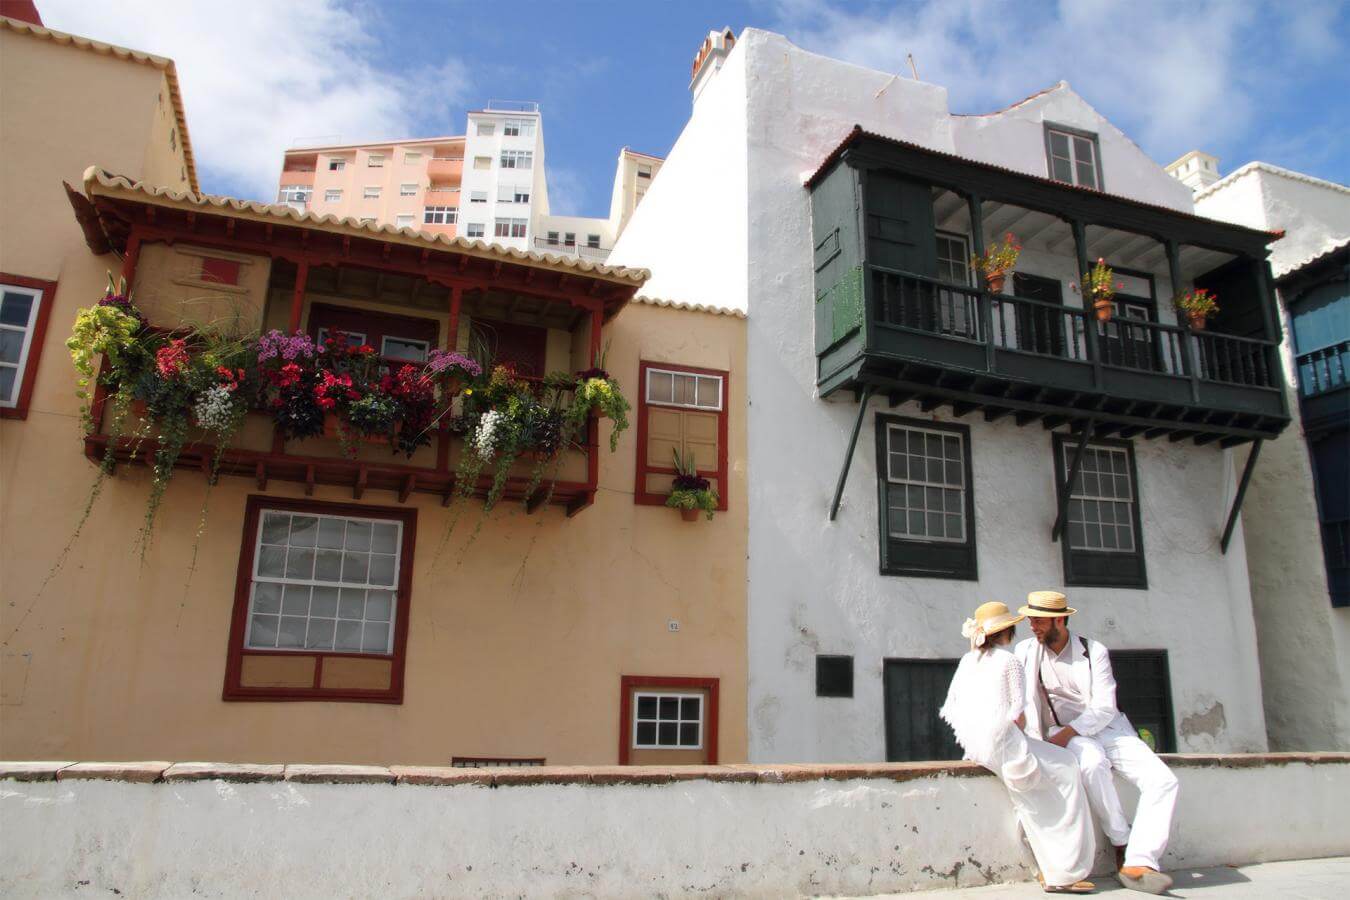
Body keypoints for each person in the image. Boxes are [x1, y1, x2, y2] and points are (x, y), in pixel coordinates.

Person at [1015, 591, 1179, 896]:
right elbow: (1021, 701)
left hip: (1109, 729)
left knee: (1164, 780)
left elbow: (1104, 705)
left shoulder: (1094, 650)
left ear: (1060, 620)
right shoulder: (1025, 651)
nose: (1032, 625)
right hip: (1063, 734)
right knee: (1092, 765)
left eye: (1038, 619)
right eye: (1030, 619)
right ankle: (1122, 842)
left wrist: (1070, 732)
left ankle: (1140, 861)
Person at [940, 601, 1096, 894]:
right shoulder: (1009, 662)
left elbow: (957, 709)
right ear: (1007, 631)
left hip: (978, 749)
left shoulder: (967, 661)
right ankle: (1064, 869)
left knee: (1033, 796)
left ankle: (1046, 868)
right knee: (1067, 768)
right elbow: (1018, 716)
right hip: (1007, 747)